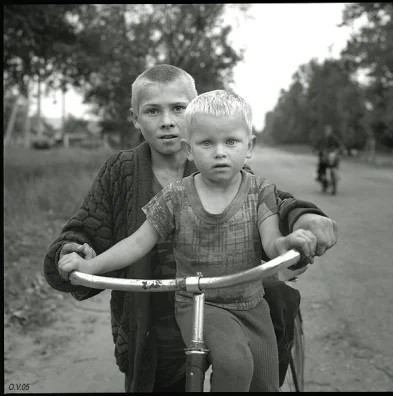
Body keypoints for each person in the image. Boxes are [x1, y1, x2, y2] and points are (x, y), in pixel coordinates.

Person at [44, 64, 338, 393]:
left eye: (179, 108)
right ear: (135, 119)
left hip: (230, 302)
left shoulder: (221, 161)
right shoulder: (122, 169)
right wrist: (74, 252)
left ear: (195, 110)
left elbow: (275, 203)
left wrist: (302, 218)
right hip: (155, 321)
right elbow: (88, 226)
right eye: (153, 110)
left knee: (250, 372)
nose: (167, 121)